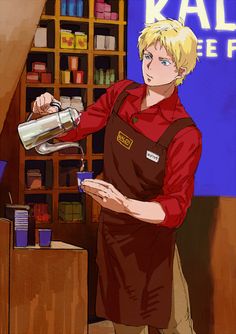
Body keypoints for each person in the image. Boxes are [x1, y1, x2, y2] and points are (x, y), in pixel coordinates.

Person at [33, 19, 202, 334]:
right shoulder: (122, 93)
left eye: (164, 60)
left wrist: (124, 204)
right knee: (124, 325)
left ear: (181, 71)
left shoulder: (184, 133)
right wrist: (48, 114)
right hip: (113, 235)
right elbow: (83, 123)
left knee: (176, 326)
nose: (151, 67)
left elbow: (175, 208)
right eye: (148, 56)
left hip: (154, 245)